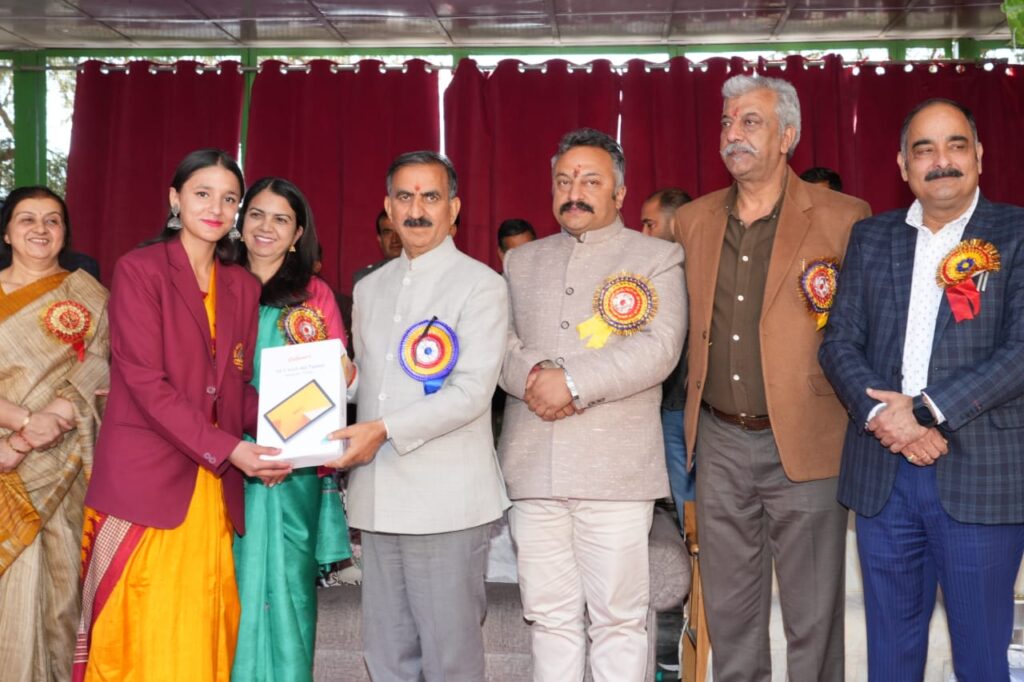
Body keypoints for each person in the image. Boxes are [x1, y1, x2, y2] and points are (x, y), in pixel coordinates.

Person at [819, 98, 1024, 681]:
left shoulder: (1017, 232)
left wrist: (927, 412)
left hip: (981, 477)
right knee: (890, 657)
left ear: (979, 155)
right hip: (884, 476)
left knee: (981, 660)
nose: (942, 161)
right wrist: (887, 419)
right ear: (903, 164)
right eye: (924, 149)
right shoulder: (871, 237)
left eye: (956, 145)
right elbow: (838, 343)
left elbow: (1020, 350)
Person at [675, 75, 870, 681]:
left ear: (788, 135)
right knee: (730, 617)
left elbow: (865, 331)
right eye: (727, 122)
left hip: (807, 441)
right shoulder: (692, 220)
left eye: (750, 122)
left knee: (813, 620)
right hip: (719, 442)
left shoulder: (844, 217)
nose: (733, 134)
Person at [74, 149, 292, 681]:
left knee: (200, 630)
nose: (216, 208)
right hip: (145, 485)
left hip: (209, 489)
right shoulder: (140, 270)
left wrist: (294, 425)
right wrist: (233, 449)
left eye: (229, 198)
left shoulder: (241, 285)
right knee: (138, 639)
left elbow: (234, 389)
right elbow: (146, 384)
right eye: (202, 194)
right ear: (175, 199)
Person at [499, 128, 686, 681]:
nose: (574, 192)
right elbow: (497, 345)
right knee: (548, 618)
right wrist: (535, 377)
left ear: (620, 192)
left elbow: (659, 349)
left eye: (590, 181)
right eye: (564, 181)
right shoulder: (521, 261)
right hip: (533, 466)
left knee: (618, 621)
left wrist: (573, 382)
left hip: (615, 472)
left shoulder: (656, 257)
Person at [325, 150, 509, 681]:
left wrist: (383, 429)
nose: (417, 209)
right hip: (380, 496)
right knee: (386, 654)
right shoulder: (369, 288)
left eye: (431, 197)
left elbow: (471, 392)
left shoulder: (482, 285)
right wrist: (343, 380)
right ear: (388, 207)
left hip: (447, 500)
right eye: (404, 197)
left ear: (454, 208)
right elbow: (374, 386)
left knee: (450, 657)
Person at [231, 177, 357, 681]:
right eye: (257, 214)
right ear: (241, 222)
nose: (267, 227)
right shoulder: (214, 282)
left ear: (298, 232)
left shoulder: (314, 295)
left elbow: (334, 382)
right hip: (222, 459)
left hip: (292, 464)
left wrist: (340, 374)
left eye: (281, 219)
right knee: (225, 586)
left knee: (288, 590)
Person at [0, 186, 108, 681]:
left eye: (53, 220)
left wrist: (29, 436)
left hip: (61, 465)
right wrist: (19, 423)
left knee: (59, 599)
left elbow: (100, 369)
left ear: (65, 232)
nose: (40, 229)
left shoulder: (90, 296)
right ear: (7, 232)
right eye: (27, 219)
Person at [640, 187, 694, 535]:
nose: (643, 233)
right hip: (666, 402)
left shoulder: (706, 270)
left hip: (700, 408)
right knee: (684, 502)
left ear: (677, 224)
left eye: (650, 224)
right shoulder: (641, 277)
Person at [352, 208, 402, 285]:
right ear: (380, 240)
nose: (394, 239)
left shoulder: (422, 275)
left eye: (399, 231)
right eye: (387, 233)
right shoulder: (364, 279)